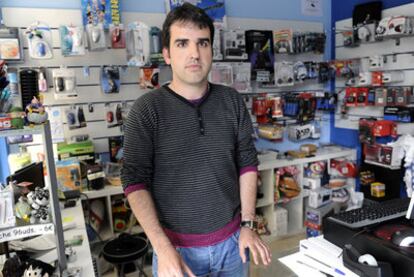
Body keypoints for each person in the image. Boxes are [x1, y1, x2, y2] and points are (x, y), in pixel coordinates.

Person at [121, 3, 271, 277]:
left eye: (202, 43)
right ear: (166, 54)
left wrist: (248, 224)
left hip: (233, 246)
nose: (194, 53)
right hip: (176, 252)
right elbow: (134, 180)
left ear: (212, 50)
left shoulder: (232, 101)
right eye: (182, 44)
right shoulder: (147, 110)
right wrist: (162, 247)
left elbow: (247, 162)